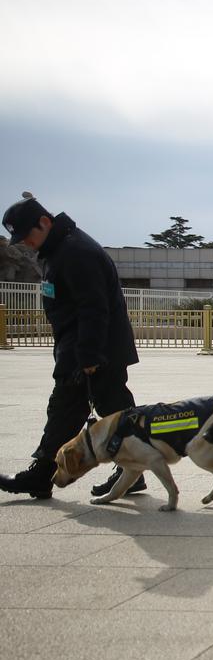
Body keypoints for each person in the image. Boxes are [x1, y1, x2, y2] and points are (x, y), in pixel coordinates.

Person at [0, 195, 138, 499]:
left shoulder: (75, 252)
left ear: (45, 222)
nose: (26, 243)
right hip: (83, 348)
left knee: (112, 412)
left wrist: (88, 355)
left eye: (27, 235)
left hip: (94, 351)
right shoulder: (59, 249)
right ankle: (46, 472)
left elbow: (93, 307)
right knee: (76, 409)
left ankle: (130, 470)